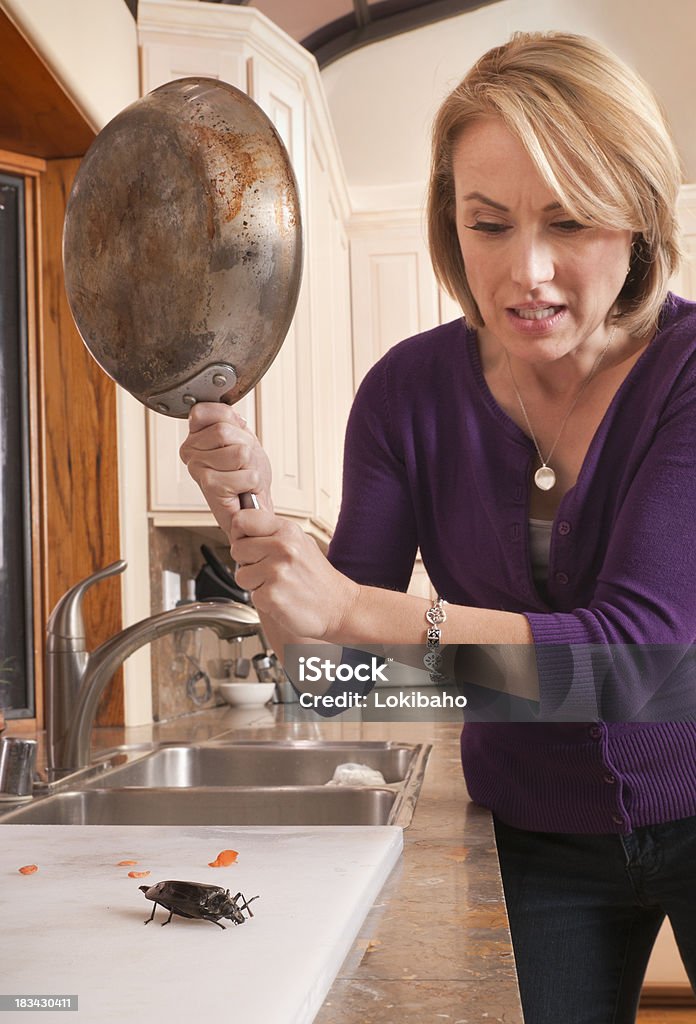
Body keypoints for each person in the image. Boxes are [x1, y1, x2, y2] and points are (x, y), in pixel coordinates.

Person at [180, 31, 696, 1024]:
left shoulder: (685, 376)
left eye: (571, 221)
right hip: (535, 833)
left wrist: (384, 616)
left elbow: (634, 665)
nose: (526, 272)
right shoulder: (406, 397)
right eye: (488, 222)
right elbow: (329, 681)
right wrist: (249, 511)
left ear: (639, 217)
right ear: (446, 219)